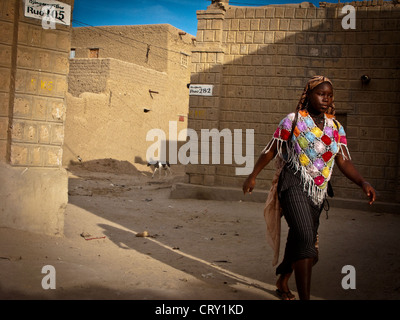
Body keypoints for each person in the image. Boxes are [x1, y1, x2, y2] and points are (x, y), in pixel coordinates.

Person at [242, 75, 376, 300]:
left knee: (300, 238)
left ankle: (283, 278)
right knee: (305, 238)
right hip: (292, 182)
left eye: (330, 95)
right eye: (321, 94)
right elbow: (272, 149)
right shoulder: (293, 120)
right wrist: (252, 176)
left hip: (318, 192)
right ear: (309, 94)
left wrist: (363, 182)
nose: (326, 99)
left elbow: (343, 160)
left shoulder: (336, 127)